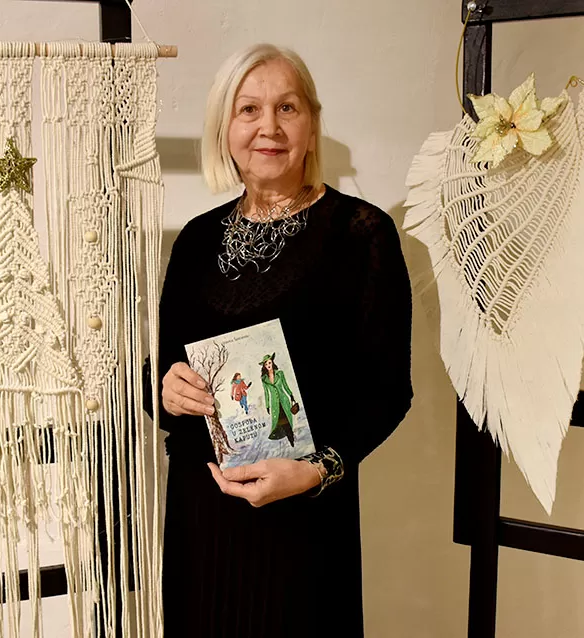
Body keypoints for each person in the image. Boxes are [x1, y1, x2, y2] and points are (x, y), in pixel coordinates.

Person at [154, 43, 413, 638]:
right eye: (248, 109)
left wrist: (317, 471)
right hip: (202, 520)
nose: (268, 127)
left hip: (304, 523)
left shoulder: (361, 233)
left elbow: (387, 392)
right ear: (226, 128)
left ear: (312, 126)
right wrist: (165, 389)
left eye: (287, 108)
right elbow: (162, 371)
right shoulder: (196, 241)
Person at [259, 353, 297, 446]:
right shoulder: (264, 379)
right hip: (275, 404)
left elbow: (285, 385)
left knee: (287, 420)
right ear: (264, 366)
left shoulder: (280, 373)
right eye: (266, 364)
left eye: (269, 363)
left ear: (272, 362)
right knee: (280, 423)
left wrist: (291, 395)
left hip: (284, 401)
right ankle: (289, 438)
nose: (268, 365)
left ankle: (291, 438)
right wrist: (267, 406)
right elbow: (266, 393)